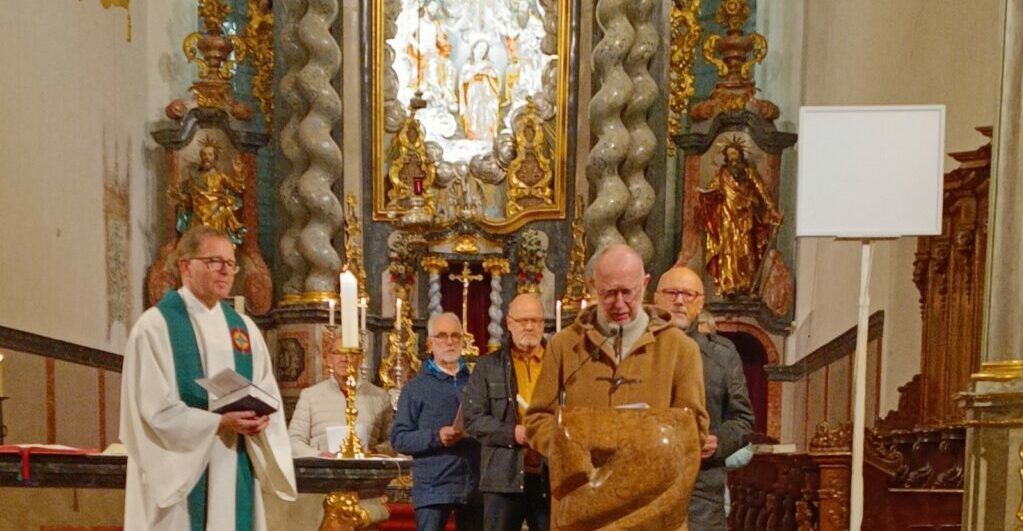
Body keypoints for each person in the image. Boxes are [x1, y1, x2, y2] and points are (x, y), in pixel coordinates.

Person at [119, 225, 296, 530]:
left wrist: (262, 420)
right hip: (183, 476)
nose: (225, 271)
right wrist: (218, 423)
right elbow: (151, 412)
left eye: (230, 263)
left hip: (234, 459)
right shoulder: (155, 327)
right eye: (214, 261)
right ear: (186, 266)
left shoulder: (244, 329)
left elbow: (267, 392)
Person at [523, 243, 710, 474]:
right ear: (594, 286)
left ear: (645, 284)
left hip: (650, 486)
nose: (619, 304)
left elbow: (694, 427)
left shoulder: (681, 349)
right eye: (609, 293)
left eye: (628, 292)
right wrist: (569, 447)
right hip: (582, 485)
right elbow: (537, 419)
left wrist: (650, 448)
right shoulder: (564, 345)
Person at [653, 266, 754, 530]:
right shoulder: (639, 350)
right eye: (671, 293)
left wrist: (718, 441)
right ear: (656, 298)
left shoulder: (722, 355)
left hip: (701, 491)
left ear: (700, 303)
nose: (679, 301)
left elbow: (742, 419)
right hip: (647, 484)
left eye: (688, 295)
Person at [463, 293, 550, 531]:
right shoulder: (488, 366)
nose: (530, 326)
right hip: (502, 478)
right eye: (523, 320)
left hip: (550, 476)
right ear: (509, 323)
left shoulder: (558, 362)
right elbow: (473, 419)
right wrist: (514, 433)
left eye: (536, 320)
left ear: (544, 324)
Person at [391, 313, 482, 531]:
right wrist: (436, 437)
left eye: (455, 336)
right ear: (430, 343)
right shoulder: (415, 388)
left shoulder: (476, 384)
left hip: (473, 484)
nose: (449, 342)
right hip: (433, 486)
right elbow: (399, 438)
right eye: (442, 336)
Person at [697, 135, 783, 296]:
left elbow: (761, 191)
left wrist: (771, 209)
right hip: (727, 216)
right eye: (729, 155)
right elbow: (712, 189)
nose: (733, 158)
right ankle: (728, 284)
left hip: (745, 216)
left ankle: (746, 282)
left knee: (745, 249)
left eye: (735, 154)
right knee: (728, 249)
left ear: (740, 155)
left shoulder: (748, 172)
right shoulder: (722, 174)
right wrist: (706, 195)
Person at [288, 335, 394, 457]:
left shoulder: (380, 397)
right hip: (323, 467)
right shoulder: (310, 396)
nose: (344, 359)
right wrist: (320, 455)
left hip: (366, 466)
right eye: (338, 353)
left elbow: (393, 442)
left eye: (351, 353)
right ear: (329, 359)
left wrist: (374, 452)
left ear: (360, 358)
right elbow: (294, 441)